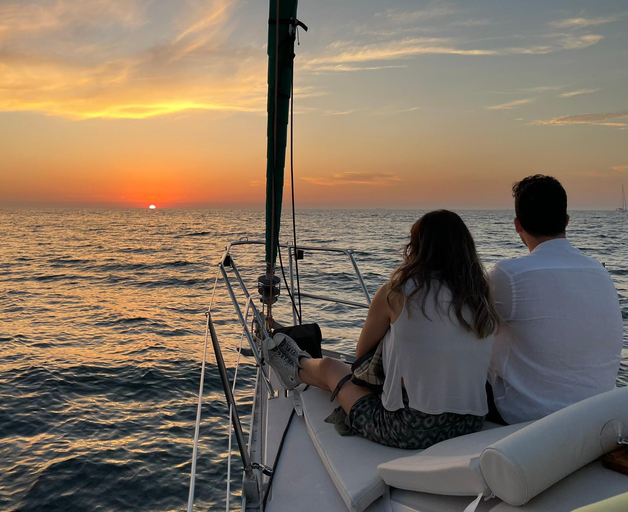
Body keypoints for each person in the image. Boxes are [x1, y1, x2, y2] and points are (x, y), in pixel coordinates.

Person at [266, 210, 499, 450]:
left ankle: (298, 366)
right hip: (471, 422)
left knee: (331, 367)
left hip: (410, 428)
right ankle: (299, 362)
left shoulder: (396, 292)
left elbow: (361, 355)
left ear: (416, 247)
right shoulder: (480, 295)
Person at [487, 175, 623, 425]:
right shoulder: (600, 272)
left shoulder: (509, 275)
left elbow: (460, 321)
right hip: (599, 412)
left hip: (527, 417)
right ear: (567, 221)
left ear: (517, 225)